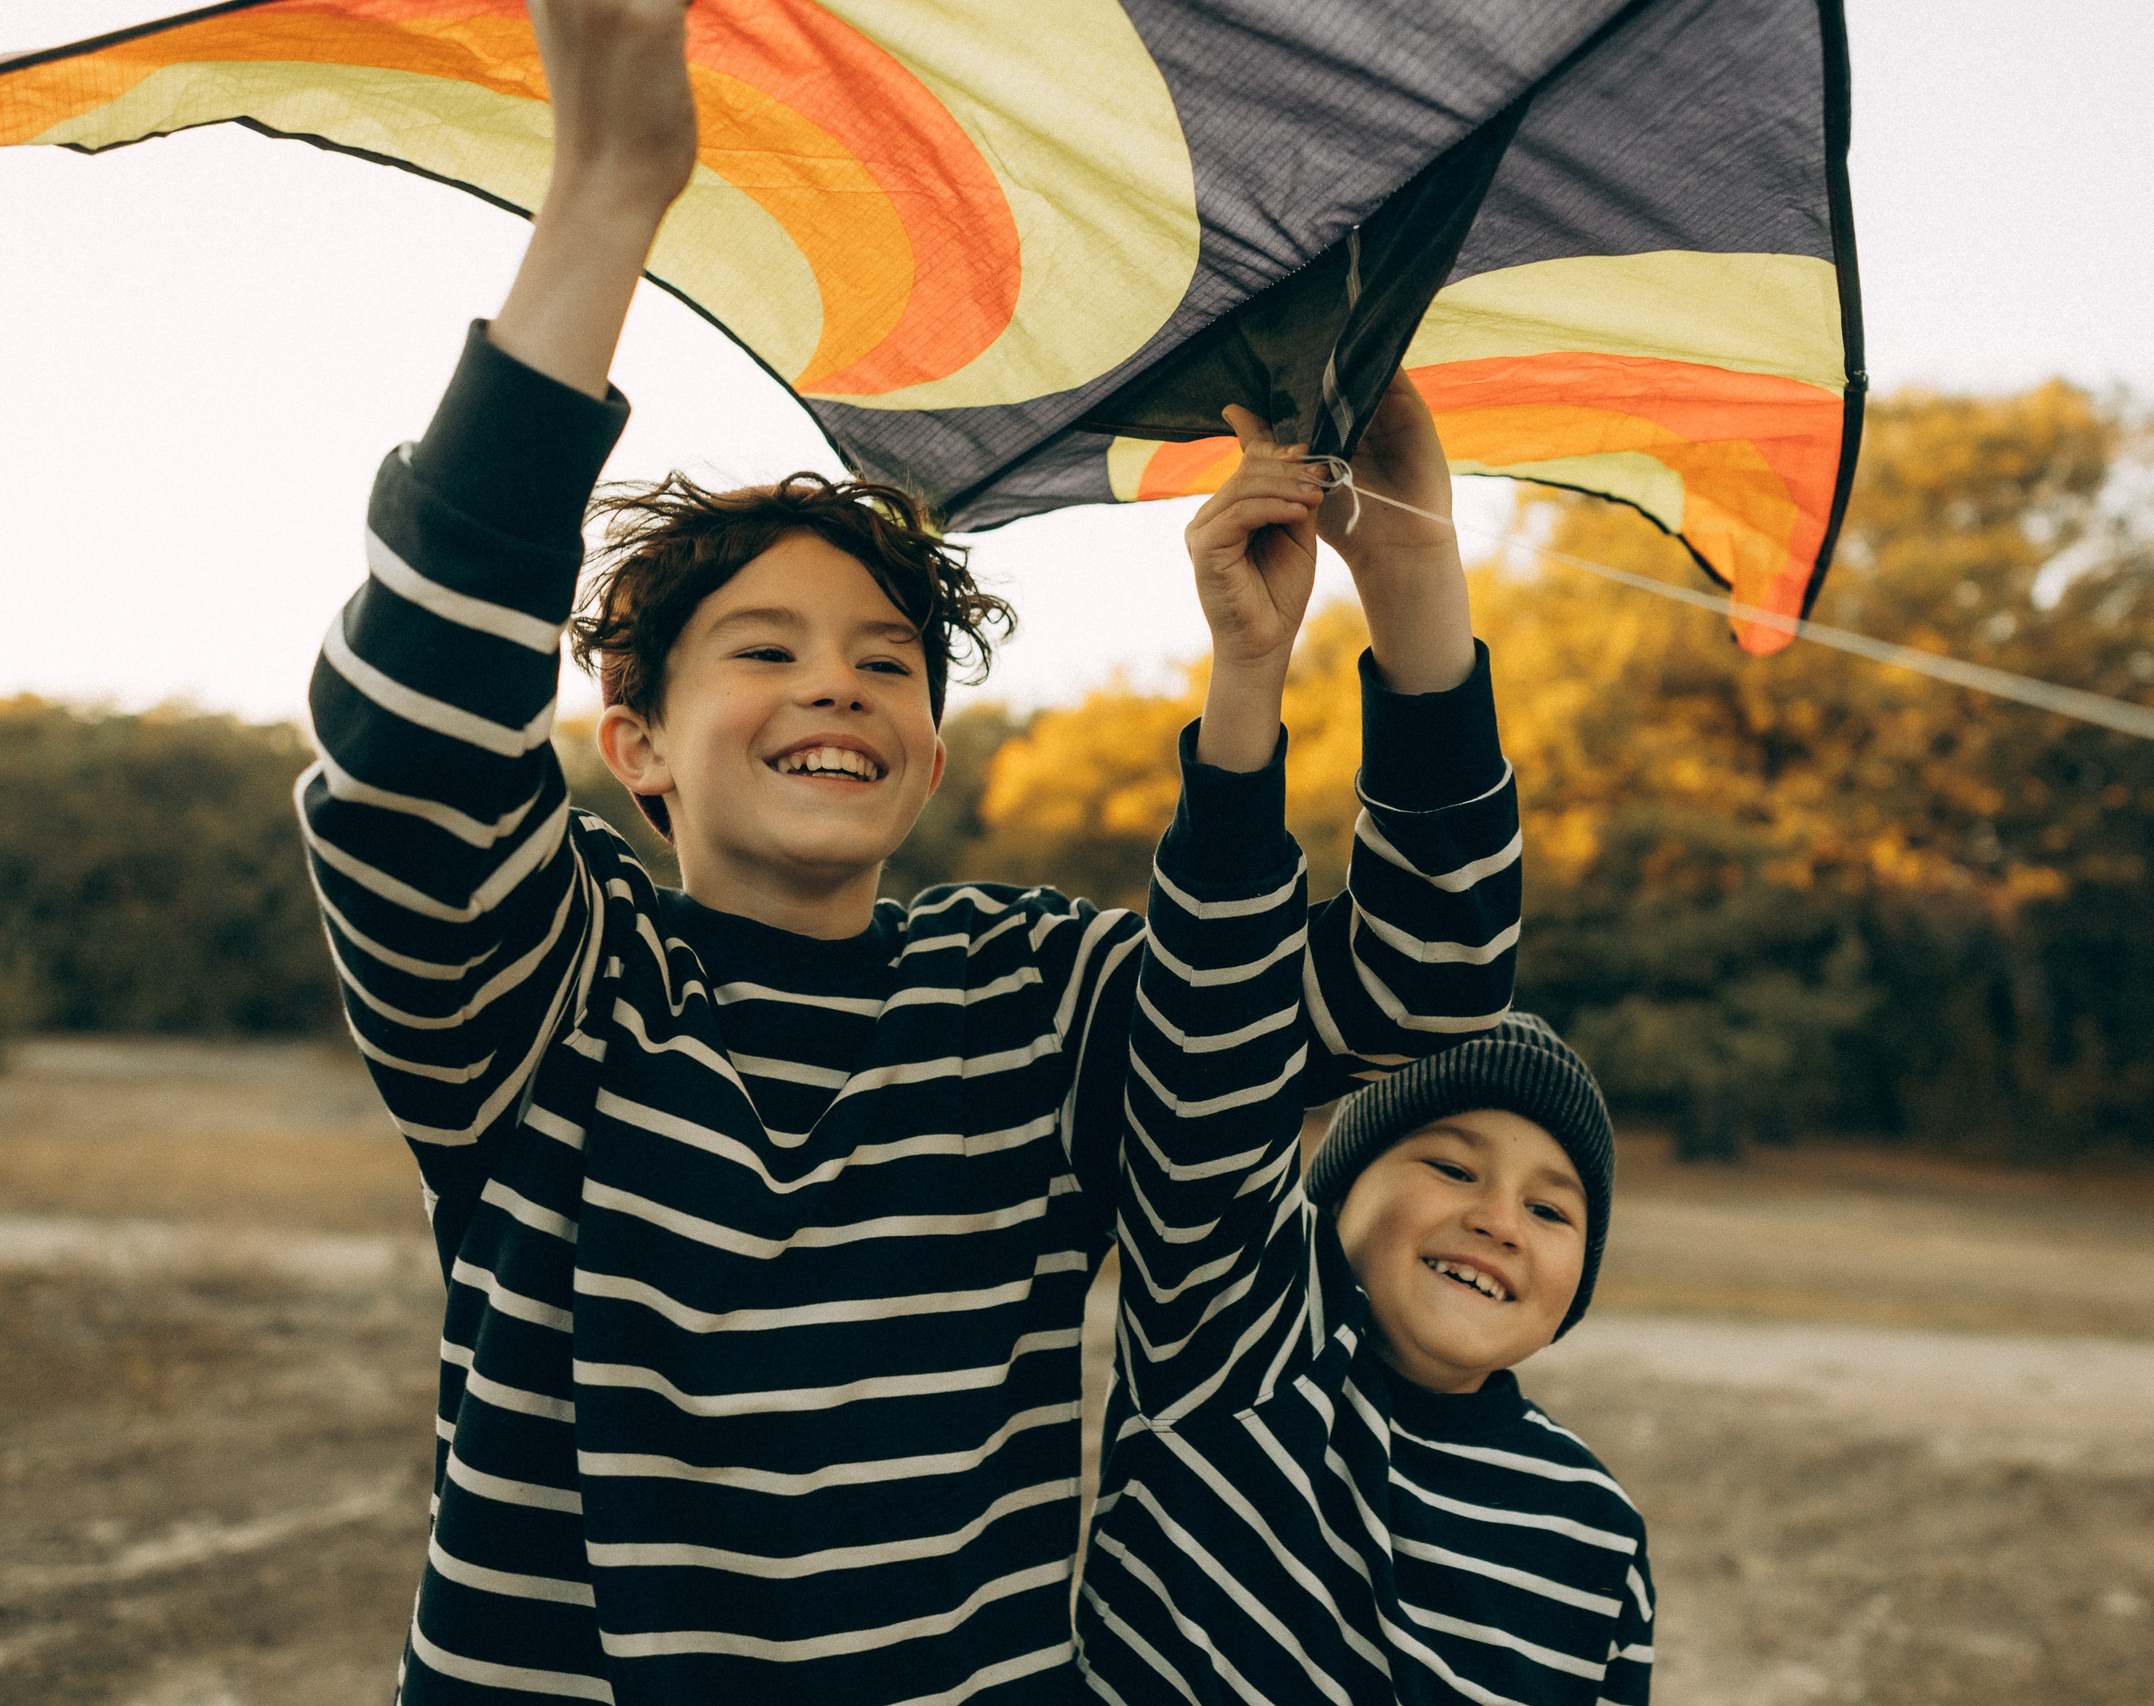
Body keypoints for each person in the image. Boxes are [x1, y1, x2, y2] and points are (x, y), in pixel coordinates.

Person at [297, 0, 1519, 1699]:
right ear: (635, 744)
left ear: (927, 759)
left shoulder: (1029, 999)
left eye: (887, 664)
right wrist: (610, 191)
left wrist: (1401, 587)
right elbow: (407, 750)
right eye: (768, 649)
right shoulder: (554, 1001)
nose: (838, 686)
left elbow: (1421, 981)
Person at [1081, 1010, 1650, 1704]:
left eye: (1550, 1210)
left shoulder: (1598, 1529)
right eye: (1453, 1168)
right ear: (1338, 1193)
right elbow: (1209, 1093)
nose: (1500, 1223)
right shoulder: (1227, 1356)